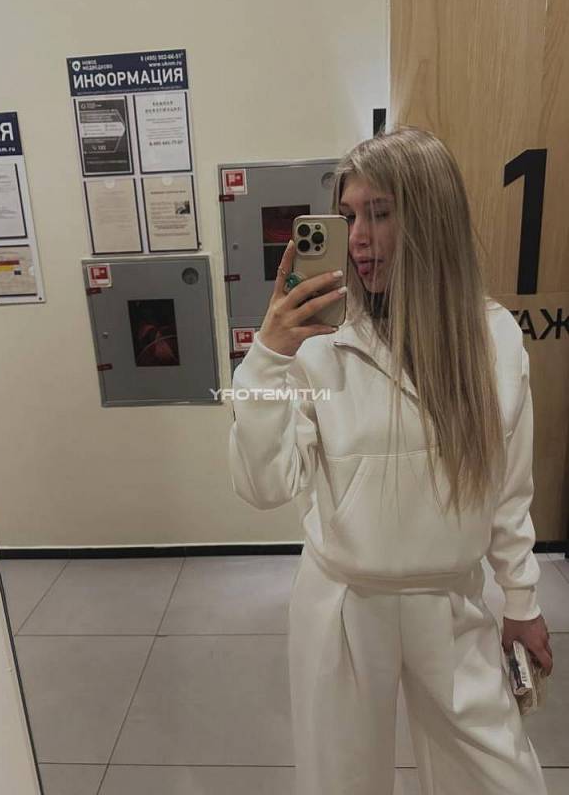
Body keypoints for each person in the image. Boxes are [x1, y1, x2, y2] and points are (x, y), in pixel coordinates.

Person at [228, 126, 552, 795]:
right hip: (344, 601)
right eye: (347, 216)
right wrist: (265, 359)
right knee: (341, 781)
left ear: (430, 218)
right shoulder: (318, 340)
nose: (357, 239)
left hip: (450, 598)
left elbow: (507, 487)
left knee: (500, 778)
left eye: (379, 213)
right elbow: (262, 485)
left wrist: (520, 598)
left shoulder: (490, 336)